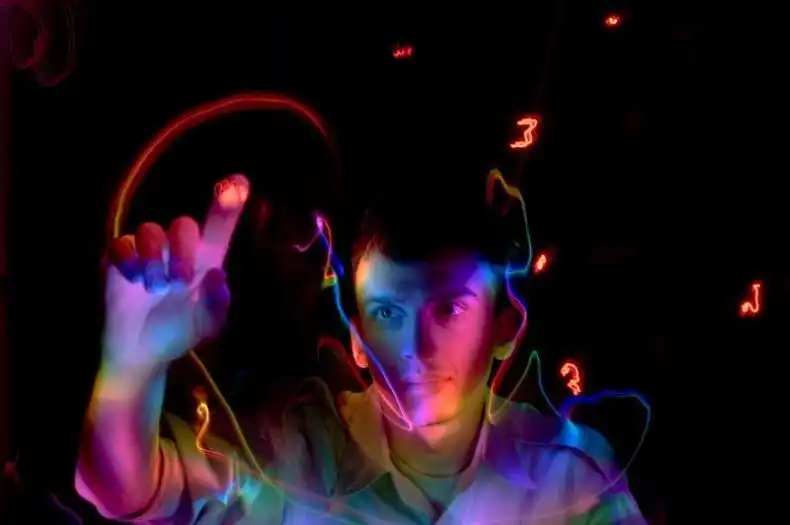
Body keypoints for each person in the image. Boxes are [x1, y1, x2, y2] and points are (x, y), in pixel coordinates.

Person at [75, 173, 646, 524]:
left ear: (503, 327)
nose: (417, 348)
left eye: (449, 310)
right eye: (388, 313)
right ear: (357, 339)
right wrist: (131, 366)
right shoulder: (302, 453)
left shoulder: (571, 475)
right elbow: (126, 490)